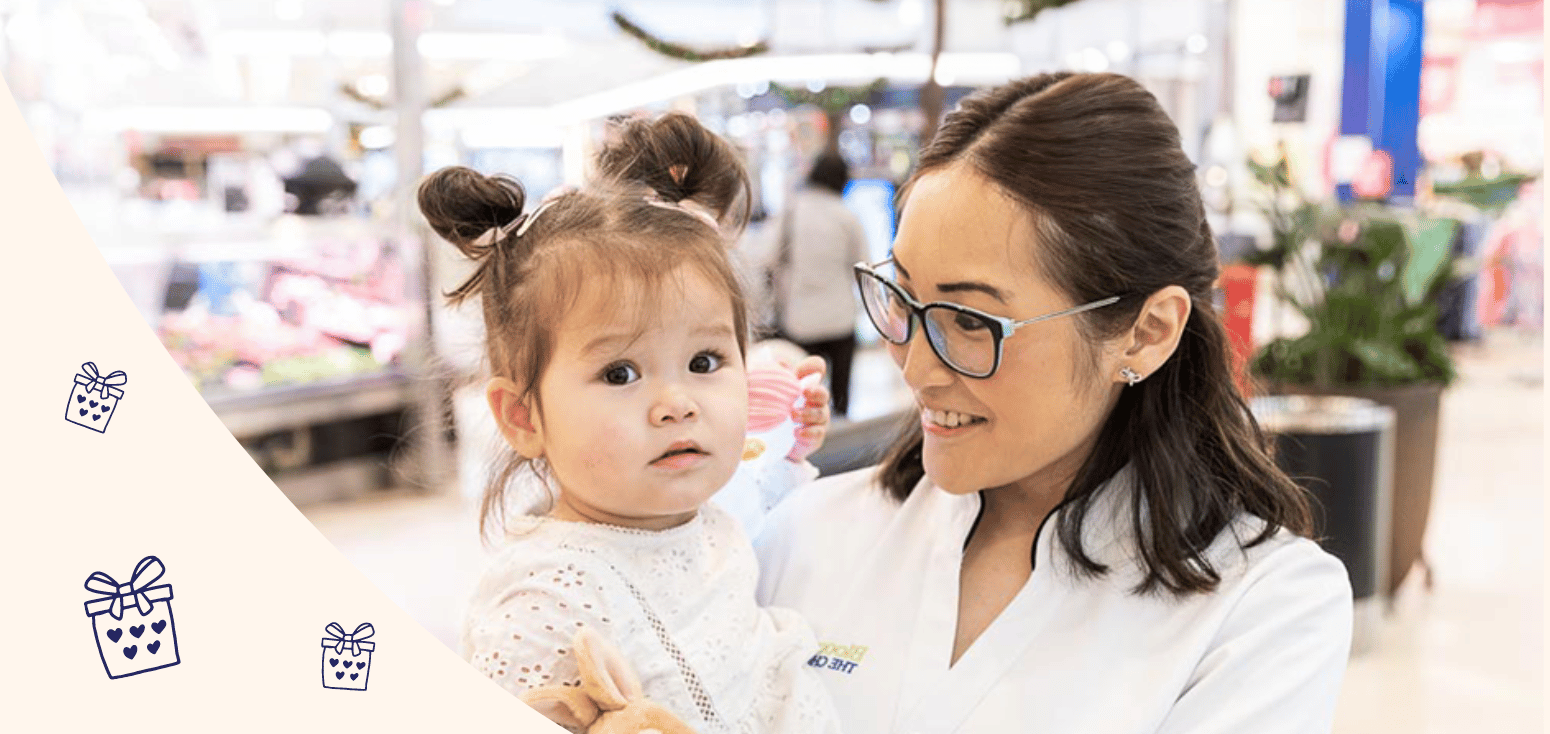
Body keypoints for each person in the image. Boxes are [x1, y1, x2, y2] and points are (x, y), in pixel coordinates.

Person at [740, 72, 1354, 734]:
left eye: (971, 321)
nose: (916, 367)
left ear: (1147, 334)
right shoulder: (806, 532)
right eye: (903, 297)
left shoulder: (1262, 608)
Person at [420, 113, 840, 734]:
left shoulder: (701, 510)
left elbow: (765, 488)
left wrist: (791, 434)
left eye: (705, 361)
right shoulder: (544, 601)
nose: (677, 403)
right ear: (521, 415)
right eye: (620, 374)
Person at [765, 151, 871, 417]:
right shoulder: (847, 216)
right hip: (840, 319)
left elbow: (768, 258)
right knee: (841, 400)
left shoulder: (790, 212)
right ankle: (842, 438)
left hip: (800, 321)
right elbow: (864, 267)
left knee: (800, 398)